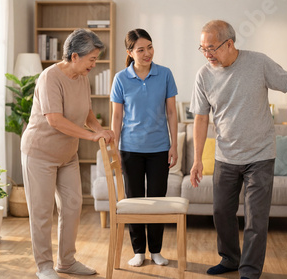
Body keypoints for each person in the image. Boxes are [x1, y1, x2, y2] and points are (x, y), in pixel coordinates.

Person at [189, 20, 287, 279]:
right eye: (202, 48)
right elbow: (200, 118)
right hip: (225, 156)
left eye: (211, 48)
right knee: (221, 212)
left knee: (256, 218)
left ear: (229, 43)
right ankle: (230, 258)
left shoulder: (258, 63)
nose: (207, 54)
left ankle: (250, 271)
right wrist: (197, 159)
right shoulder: (204, 75)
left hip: (260, 156)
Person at [21, 28, 115, 279]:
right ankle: (44, 266)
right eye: (92, 59)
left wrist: (100, 129)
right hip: (39, 153)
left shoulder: (82, 77)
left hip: (67, 155)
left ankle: (67, 261)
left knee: (73, 206)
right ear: (75, 56)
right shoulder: (49, 78)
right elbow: (55, 120)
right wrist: (92, 136)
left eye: (96, 59)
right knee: (42, 213)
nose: (94, 65)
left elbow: (87, 114)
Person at [111, 28, 179, 267]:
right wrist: (115, 148)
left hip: (160, 149)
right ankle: (139, 250)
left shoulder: (165, 74)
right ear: (130, 52)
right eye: (141, 49)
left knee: (157, 201)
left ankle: (157, 250)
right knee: (135, 200)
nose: (148, 53)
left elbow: (172, 112)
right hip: (130, 149)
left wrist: (174, 145)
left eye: (150, 47)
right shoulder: (121, 78)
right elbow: (117, 117)